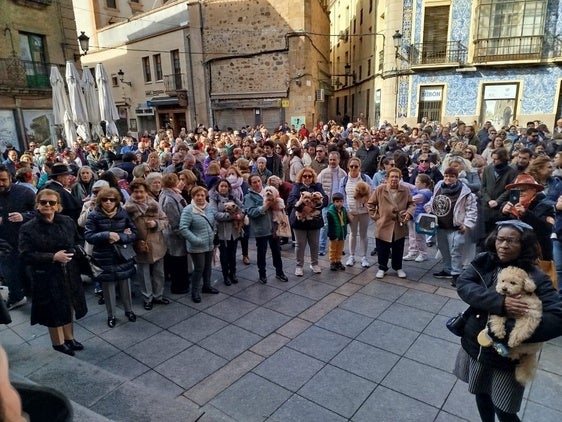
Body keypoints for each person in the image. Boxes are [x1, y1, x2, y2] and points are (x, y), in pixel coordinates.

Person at [454, 220, 562, 422]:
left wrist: (512, 331)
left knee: (504, 409)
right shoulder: (485, 261)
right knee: (481, 393)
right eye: (500, 239)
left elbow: (557, 317)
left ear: (524, 244)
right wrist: (500, 303)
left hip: (507, 357)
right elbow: (464, 284)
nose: (503, 245)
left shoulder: (536, 277)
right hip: (476, 345)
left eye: (511, 241)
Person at [18, 189, 87, 356]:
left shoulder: (67, 221)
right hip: (46, 275)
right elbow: (25, 255)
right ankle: (59, 343)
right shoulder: (29, 227)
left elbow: (78, 239)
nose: (47, 205)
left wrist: (76, 250)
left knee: (69, 305)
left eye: (52, 202)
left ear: (58, 206)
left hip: (69, 272)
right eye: (43, 202)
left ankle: (69, 338)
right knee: (54, 310)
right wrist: (53, 257)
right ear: (37, 205)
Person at [84, 187, 137, 328]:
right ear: (100, 201)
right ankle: (111, 315)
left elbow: (134, 233)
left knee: (125, 285)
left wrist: (121, 236)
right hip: (103, 257)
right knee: (108, 289)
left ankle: (129, 310)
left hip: (122, 255)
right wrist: (106, 235)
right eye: (105, 200)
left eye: (112, 200)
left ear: (116, 201)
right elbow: (88, 236)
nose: (108, 202)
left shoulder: (123, 213)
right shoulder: (94, 215)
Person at [425, 167, 478, 286]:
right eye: (446, 176)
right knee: (443, 248)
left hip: (456, 227)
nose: (448, 178)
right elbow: (432, 200)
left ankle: (456, 274)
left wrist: (467, 224)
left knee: (456, 251)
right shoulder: (439, 186)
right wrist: (429, 210)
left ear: (456, 178)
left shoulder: (465, 192)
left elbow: (471, 210)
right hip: (440, 225)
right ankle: (447, 269)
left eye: (451, 176)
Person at [124, 179, 169, 311]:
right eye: (136, 191)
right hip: (140, 245)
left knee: (159, 273)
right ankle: (147, 298)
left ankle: (158, 296)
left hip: (157, 244)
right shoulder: (127, 208)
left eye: (141, 191)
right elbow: (124, 227)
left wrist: (156, 224)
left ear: (146, 192)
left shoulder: (154, 204)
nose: (139, 194)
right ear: (132, 192)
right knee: (143, 274)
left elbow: (165, 220)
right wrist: (133, 238)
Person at [367, 167, 415, 279]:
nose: (394, 179)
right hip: (383, 224)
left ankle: (398, 267)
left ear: (400, 178)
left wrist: (408, 213)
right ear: (387, 178)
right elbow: (370, 204)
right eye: (392, 176)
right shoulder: (380, 189)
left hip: (399, 224)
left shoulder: (405, 190)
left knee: (398, 247)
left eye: (396, 177)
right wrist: (377, 217)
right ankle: (382, 267)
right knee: (382, 248)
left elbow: (412, 204)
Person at [0, 164, 36, 311]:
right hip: (4, 242)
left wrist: (23, 216)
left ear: (10, 178)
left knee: (29, 269)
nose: (0, 184)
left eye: (3, 180)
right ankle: (16, 296)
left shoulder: (25, 192)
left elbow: (41, 211)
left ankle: (34, 293)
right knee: (9, 271)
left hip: (26, 238)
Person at [244, 174, 288, 284]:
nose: (257, 184)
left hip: (274, 227)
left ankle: (280, 272)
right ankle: (262, 274)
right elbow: (251, 212)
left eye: (258, 181)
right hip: (261, 229)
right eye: (254, 182)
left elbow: (281, 205)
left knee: (276, 251)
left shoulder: (268, 190)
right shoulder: (248, 197)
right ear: (250, 184)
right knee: (261, 252)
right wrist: (265, 207)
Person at [179, 186, 219, 303]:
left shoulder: (209, 207)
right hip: (197, 245)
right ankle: (195, 292)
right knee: (199, 268)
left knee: (208, 266)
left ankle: (207, 286)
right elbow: (183, 228)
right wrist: (195, 240)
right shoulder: (188, 210)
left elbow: (213, 223)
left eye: (202, 195)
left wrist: (214, 235)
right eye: (197, 195)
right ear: (193, 196)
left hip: (209, 243)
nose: (200, 197)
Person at [287, 168, 328, 276]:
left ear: (313, 177)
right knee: (299, 245)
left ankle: (314, 264)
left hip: (314, 220)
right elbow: (291, 200)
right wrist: (304, 208)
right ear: (301, 177)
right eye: (305, 176)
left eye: (310, 176)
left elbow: (325, 200)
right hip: (299, 220)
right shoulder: (297, 186)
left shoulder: (318, 186)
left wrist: (315, 206)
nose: (307, 178)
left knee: (314, 244)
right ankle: (299, 266)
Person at [209, 179, 245, 285]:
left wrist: (240, 215)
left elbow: (242, 207)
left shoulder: (233, 197)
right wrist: (231, 216)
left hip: (234, 230)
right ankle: (225, 275)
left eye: (225, 186)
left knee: (232, 254)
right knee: (224, 255)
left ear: (228, 187)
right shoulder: (213, 199)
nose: (223, 188)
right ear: (217, 187)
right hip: (222, 231)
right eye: (221, 186)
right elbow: (215, 214)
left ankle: (233, 273)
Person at [339, 157, 373, 268]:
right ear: (348, 167)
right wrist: (346, 211)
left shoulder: (365, 178)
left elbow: (373, 191)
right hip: (351, 212)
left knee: (363, 234)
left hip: (364, 212)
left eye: (356, 166)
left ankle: (364, 257)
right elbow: (341, 197)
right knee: (352, 234)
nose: (353, 168)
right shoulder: (344, 180)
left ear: (360, 167)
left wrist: (367, 201)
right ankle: (351, 256)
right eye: (351, 166)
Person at [159, 173, 190, 295]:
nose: (180, 182)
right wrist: (183, 234)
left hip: (176, 234)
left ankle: (182, 282)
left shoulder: (172, 194)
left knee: (180, 260)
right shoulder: (169, 199)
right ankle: (179, 286)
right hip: (175, 236)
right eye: (179, 180)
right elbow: (174, 221)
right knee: (178, 261)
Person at [317, 151, 347, 255]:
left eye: (334, 159)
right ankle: (321, 248)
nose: (332, 162)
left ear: (338, 160)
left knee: (339, 225)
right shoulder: (323, 173)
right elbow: (318, 187)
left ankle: (339, 247)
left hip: (339, 204)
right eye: (330, 159)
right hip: (327, 204)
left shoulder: (343, 173)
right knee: (325, 226)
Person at [403, 174, 434, 263]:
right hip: (413, 216)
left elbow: (410, 199)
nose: (415, 183)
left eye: (417, 182)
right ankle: (412, 251)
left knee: (419, 237)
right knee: (412, 235)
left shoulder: (423, 194)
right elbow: (410, 186)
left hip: (420, 218)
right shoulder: (418, 190)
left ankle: (423, 253)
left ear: (423, 184)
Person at [326, 192, 348, 271]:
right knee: (333, 248)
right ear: (334, 202)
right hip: (334, 234)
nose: (339, 203)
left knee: (340, 248)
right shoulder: (330, 212)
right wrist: (332, 235)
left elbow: (345, 220)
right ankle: (332, 262)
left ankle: (338, 261)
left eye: (341, 201)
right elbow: (330, 226)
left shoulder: (343, 210)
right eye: (337, 202)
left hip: (342, 233)